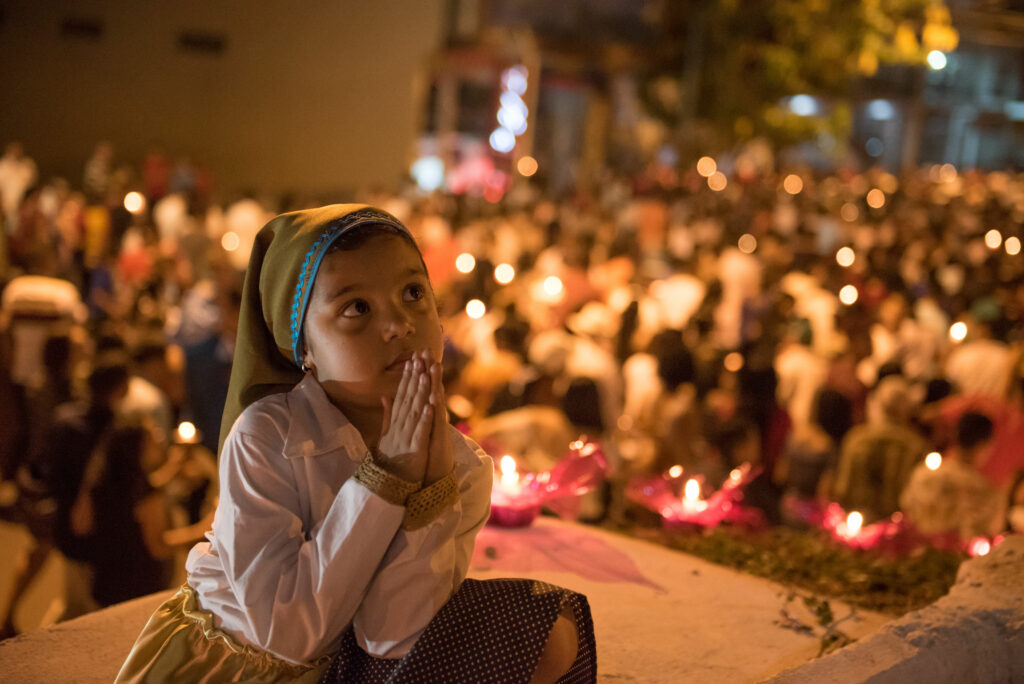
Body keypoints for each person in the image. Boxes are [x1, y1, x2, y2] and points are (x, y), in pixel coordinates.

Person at [115, 205, 595, 683]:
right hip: (246, 663)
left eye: (413, 293)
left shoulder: (463, 466)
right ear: (303, 349)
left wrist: (429, 483)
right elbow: (286, 632)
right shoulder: (267, 437)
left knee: (547, 628)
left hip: (357, 662)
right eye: (357, 308)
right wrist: (385, 479)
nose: (400, 325)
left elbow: (394, 636)